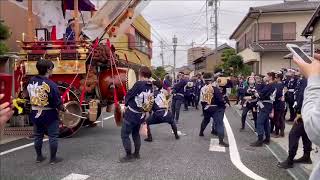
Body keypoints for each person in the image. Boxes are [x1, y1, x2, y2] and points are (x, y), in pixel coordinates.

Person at [27, 59, 64, 164]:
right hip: (49, 114)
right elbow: (56, 102)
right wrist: (63, 108)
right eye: (52, 68)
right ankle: (53, 159)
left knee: (38, 135)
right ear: (48, 70)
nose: (52, 70)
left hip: (35, 112)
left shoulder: (31, 80)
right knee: (53, 136)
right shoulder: (51, 84)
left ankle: (39, 157)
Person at [293, 53, 320, 180]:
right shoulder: (303, 79)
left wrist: (313, 78)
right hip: (305, 111)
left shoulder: (310, 78)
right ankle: (306, 156)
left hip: (307, 113)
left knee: (295, 135)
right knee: (305, 137)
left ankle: (291, 158)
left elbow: (316, 128)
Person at [277, 74, 312, 169]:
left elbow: (302, 96)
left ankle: (290, 160)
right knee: (305, 134)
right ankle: (306, 156)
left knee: (293, 134)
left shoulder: (307, 78)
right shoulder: (311, 77)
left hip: (304, 112)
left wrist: (299, 113)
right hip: (309, 112)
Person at [120, 66, 153, 163]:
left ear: (141, 74)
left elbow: (129, 94)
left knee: (124, 134)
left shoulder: (139, 84)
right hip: (141, 115)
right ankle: (137, 154)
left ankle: (129, 155)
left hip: (132, 114)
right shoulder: (150, 85)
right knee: (135, 134)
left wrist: (125, 103)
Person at [199, 73, 229, 147]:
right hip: (216, 108)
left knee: (206, 120)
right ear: (211, 80)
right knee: (219, 124)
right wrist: (225, 104)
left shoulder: (203, 89)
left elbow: (202, 101)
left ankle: (201, 132)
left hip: (207, 107)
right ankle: (221, 141)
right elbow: (220, 99)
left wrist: (204, 109)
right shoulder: (215, 88)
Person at [250, 72, 276, 147]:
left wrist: (255, 93)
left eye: (267, 76)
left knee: (259, 122)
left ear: (271, 77)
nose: (266, 77)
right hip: (267, 104)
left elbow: (262, 95)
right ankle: (267, 138)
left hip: (265, 104)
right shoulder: (272, 85)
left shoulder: (269, 85)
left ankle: (260, 140)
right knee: (265, 123)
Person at [272, 73, 286, 138]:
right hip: (282, 104)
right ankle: (282, 132)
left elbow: (277, 94)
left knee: (277, 118)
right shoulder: (283, 84)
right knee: (281, 118)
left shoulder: (279, 85)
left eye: (276, 77)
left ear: (279, 78)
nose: (275, 78)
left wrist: (274, 99)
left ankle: (277, 133)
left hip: (278, 103)